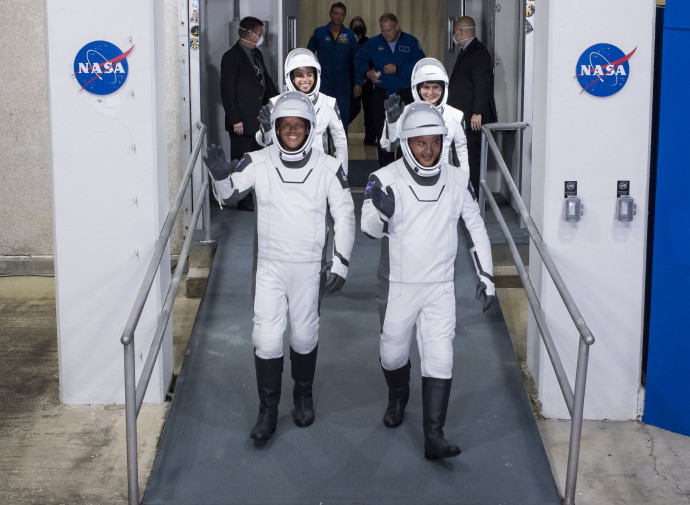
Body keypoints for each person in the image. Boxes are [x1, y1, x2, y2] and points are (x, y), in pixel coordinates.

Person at [203, 91, 355, 442]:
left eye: (297, 125)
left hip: (308, 268)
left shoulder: (329, 167)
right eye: (284, 125)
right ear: (275, 127)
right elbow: (228, 196)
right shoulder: (257, 160)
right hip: (270, 268)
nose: (291, 131)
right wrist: (221, 176)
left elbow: (345, 215)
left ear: (309, 128)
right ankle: (267, 410)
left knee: (304, 336)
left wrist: (342, 261)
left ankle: (303, 395)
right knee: (266, 340)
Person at [360, 102, 495, 460]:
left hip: (440, 286)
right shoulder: (384, 178)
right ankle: (398, 394)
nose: (429, 150)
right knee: (392, 354)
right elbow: (367, 229)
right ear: (406, 142)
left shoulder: (456, 178)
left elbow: (476, 227)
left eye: (435, 142)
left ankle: (434, 435)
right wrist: (382, 215)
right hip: (398, 285)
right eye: (421, 142)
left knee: (440, 357)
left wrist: (487, 275)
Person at [255, 48, 348, 174]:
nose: (305, 79)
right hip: (285, 169)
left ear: (316, 76)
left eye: (309, 74)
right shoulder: (276, 103)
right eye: (299, 75)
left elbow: (340, 141)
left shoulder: (328, 103)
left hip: (319, 169)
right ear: (291, 77)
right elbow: (263, 141)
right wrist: (266, 130)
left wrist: (342, 174)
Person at [221, 16, 279, 211]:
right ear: (249, 33)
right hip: (242, 120)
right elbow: (227, 91)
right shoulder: (231, 57)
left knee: (258, 159)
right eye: (259, 34)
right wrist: (235, 119)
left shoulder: (257, 54)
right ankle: (243, 200)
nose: (261, 37)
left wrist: (277, 100)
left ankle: (256, 196)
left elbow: (265, 80)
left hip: (257, 118)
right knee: (242, 159)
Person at [354, 13, 425, 167]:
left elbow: (420, 66)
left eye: (389, 30)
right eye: (383, 31)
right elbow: (358, 60)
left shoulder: (411, 42)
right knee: (383, 134)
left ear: (397, 27)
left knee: (404, 134)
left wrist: (398, 69)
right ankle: (385, 172)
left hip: (405, 94)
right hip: (382, 94)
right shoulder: (374, 43)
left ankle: (402, 170)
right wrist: (367, 73)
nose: (385, 34)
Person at [380, 57, 469, 175]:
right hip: (410, 178)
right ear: (418, 89)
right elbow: (388, 147)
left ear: (443, 89)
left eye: (435, 87)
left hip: (444, 178)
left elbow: (461, 154)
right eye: (426, 87)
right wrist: (392, 122)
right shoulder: (404, 112)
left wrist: (464, 183)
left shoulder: (455, 115)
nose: (430, 93)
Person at [447, 16, 497, 192]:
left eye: (455, 32)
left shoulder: (478, 52)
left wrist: (478, 112)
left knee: (471, 161)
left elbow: (481, 83)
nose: (454, 36)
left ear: (461, 31)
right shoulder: (466, 51)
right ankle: (465, 196)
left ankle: (472, 199)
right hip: (464, 117)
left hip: (472, 119)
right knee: (464, 159)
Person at [307, 2, 359, 134]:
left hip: (342, 85)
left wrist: (359, 83)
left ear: (345, 16)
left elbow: (358, 60)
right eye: (335, 13)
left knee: (341, 123)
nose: (338, 17)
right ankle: (323, 154)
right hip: (323, 84)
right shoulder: (319, 32)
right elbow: (308, 55)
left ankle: (341, 154)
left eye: (341, 14)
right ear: (330, 14)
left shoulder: (350, 35)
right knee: (321, 123)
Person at [347, 16, 376, 146]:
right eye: (355, 26)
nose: (357, 28)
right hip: (352, 81)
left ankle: (370, 140)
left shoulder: (369, 42)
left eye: (359, 26)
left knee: (370, 111)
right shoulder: (347, 41)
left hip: (367, 80)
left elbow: (372, 60)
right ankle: (339, 131)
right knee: (353, 108)